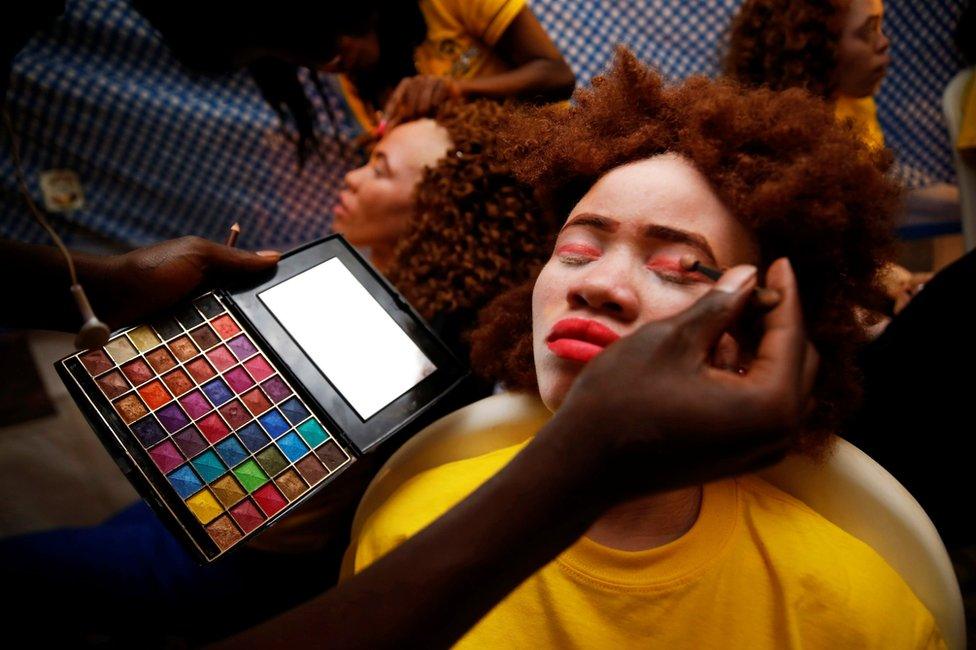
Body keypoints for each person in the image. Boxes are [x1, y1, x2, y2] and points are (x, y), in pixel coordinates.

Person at [343, 50, 943, 648]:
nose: (596, 285)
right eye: (576, 251)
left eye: (679, 268)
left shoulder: (861, 616)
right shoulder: (403, 536)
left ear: (761, 340)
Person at [333, 99, 557, 363]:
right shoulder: (375, 286)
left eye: (380, 170)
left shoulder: (428, 350)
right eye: (369, 160)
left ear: (436, 211)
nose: (352, 177)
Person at [331, 0, 575, 135]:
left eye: (324, 39)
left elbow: (557, 75)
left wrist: (458, 90)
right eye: (308, 58)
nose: (330, 63)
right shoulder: (354, 75)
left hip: (556, 149)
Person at [726, 0, 890, 150]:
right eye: (868, 30)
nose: (884, 42)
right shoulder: (795, 144)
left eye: (879, 25)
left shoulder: (854, 103)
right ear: (818, 48)